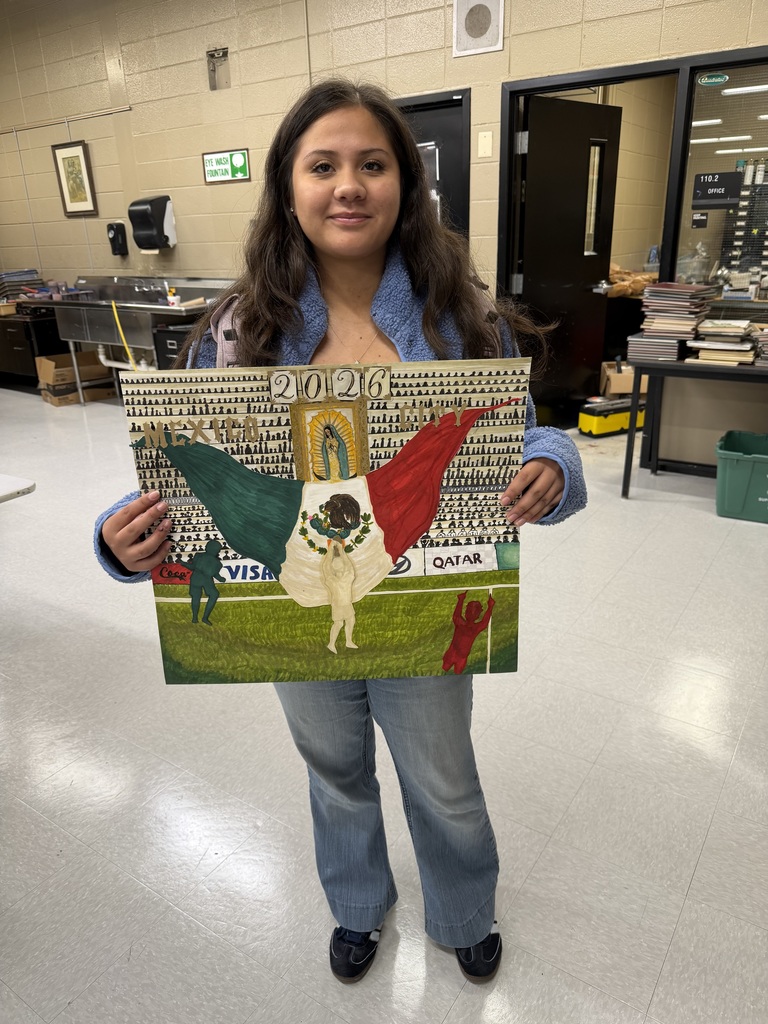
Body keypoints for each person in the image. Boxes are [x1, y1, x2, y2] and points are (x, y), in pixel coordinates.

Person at [94, 78, 587, 985]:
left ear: (406, 184)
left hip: (422, 603)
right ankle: (359, 903)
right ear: (290, 187)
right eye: (323, 166)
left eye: (372, 163)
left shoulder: (455, 316)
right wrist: (122, 539)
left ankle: (464, 908)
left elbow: (524, 429)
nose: (348, 185)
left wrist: (554, 465)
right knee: (332, 766)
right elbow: (179, 469)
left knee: (442, 777)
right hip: (293, 597)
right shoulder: (239, 329)